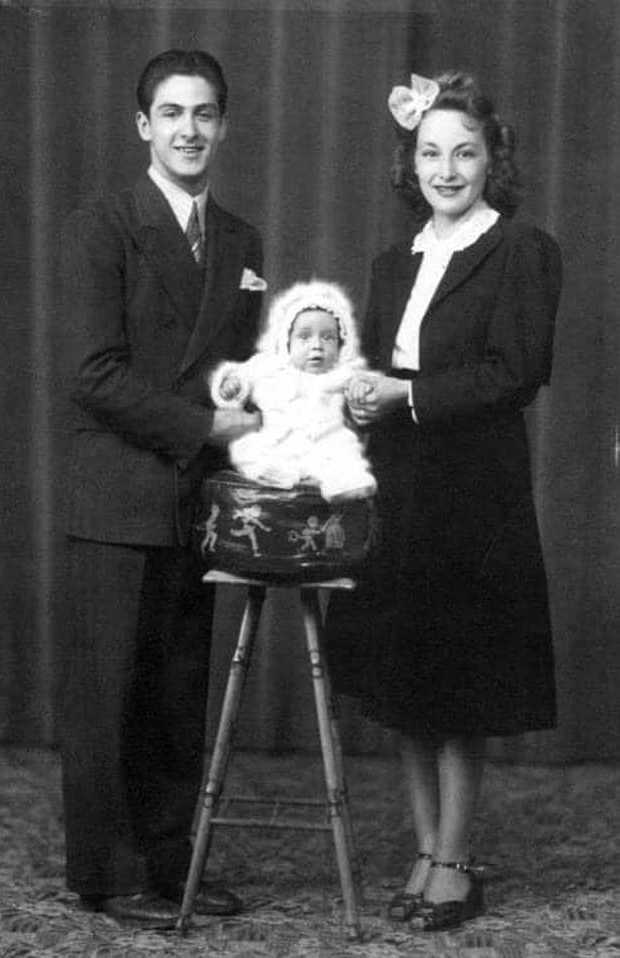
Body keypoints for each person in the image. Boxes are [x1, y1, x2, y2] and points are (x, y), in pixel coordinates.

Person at [326, 71, 561, 931]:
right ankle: (427, 849)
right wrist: (361, 395)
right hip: (402, 488)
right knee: (407, 679)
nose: (447, 168)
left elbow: (514, 372)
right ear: (411, 162)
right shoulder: (396, 261)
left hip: (474, 496)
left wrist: (403, 397)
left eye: (465, 152)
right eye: (431, 153)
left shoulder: (521, 249)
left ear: (493, 160)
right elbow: (383, 374)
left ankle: (458, 860)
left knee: (459, 684)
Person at [59, 49, 265, 929]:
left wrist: (270, 403)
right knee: (111, 698)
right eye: (173, 113)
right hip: (118, 492)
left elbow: (233, 373)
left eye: (206, 113)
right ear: (144, 126)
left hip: (196, 499)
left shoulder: (243, 240)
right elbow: (92, 375)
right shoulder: (102, 224)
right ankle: (108, 875)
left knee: (179, 692)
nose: (190, 130)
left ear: (223, 126)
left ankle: (171, 865)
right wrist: (204, 429)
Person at [210, 279, 377, 501]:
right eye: (305, 336)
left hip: (323, 441)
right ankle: (271, 473)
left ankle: (346, 483)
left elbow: (365, 387)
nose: (317, 345)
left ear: (342, 344)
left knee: (345, 450)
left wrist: (362, 389)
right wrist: (231, 386)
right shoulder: (267, 366)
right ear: (285, 341)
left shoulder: (343, 373)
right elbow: (240, 377)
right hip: (276, 440)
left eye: (328, 337)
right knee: (246, 448)